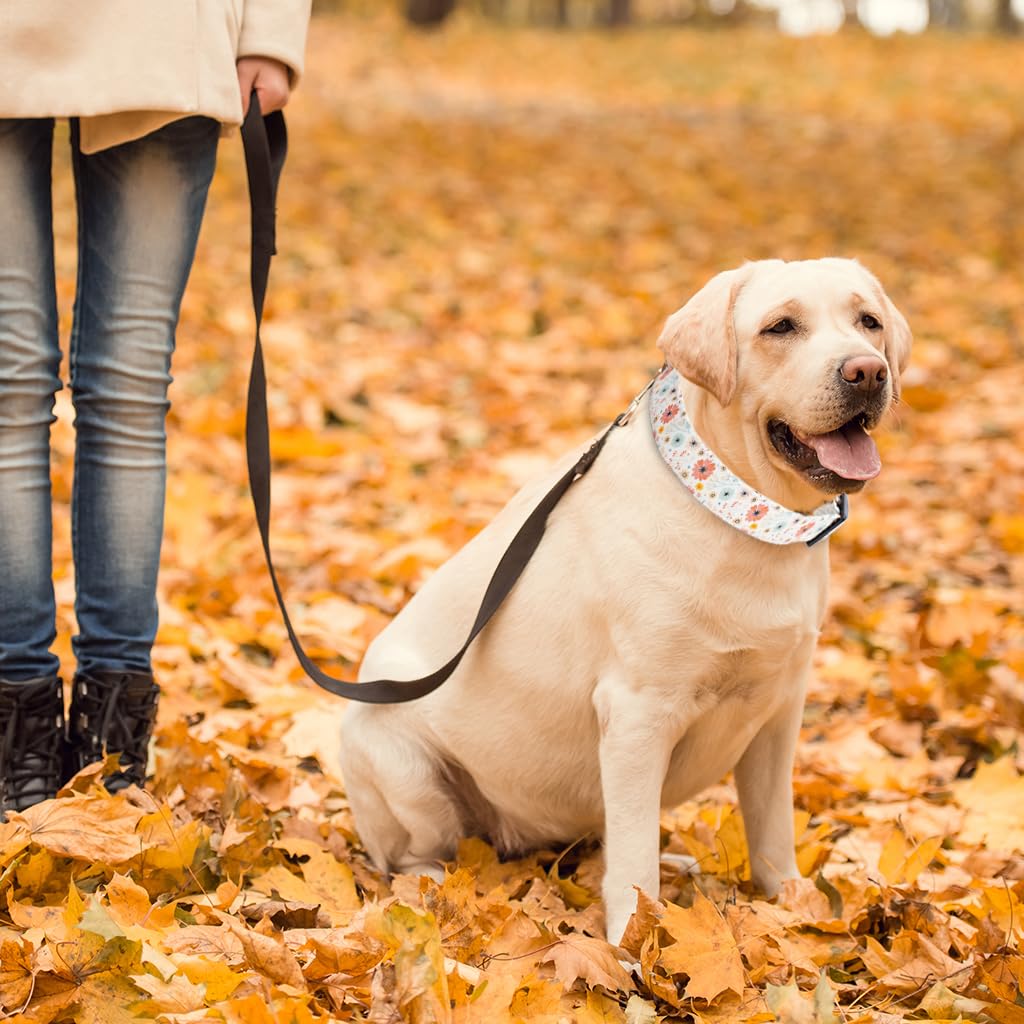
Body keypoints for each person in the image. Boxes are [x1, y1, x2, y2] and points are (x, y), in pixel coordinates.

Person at [0, 1, 311, 816]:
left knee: (127, 389)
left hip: (160, 26)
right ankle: (16, 734)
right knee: (9, 390)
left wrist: (270, 33)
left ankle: (112, 744)